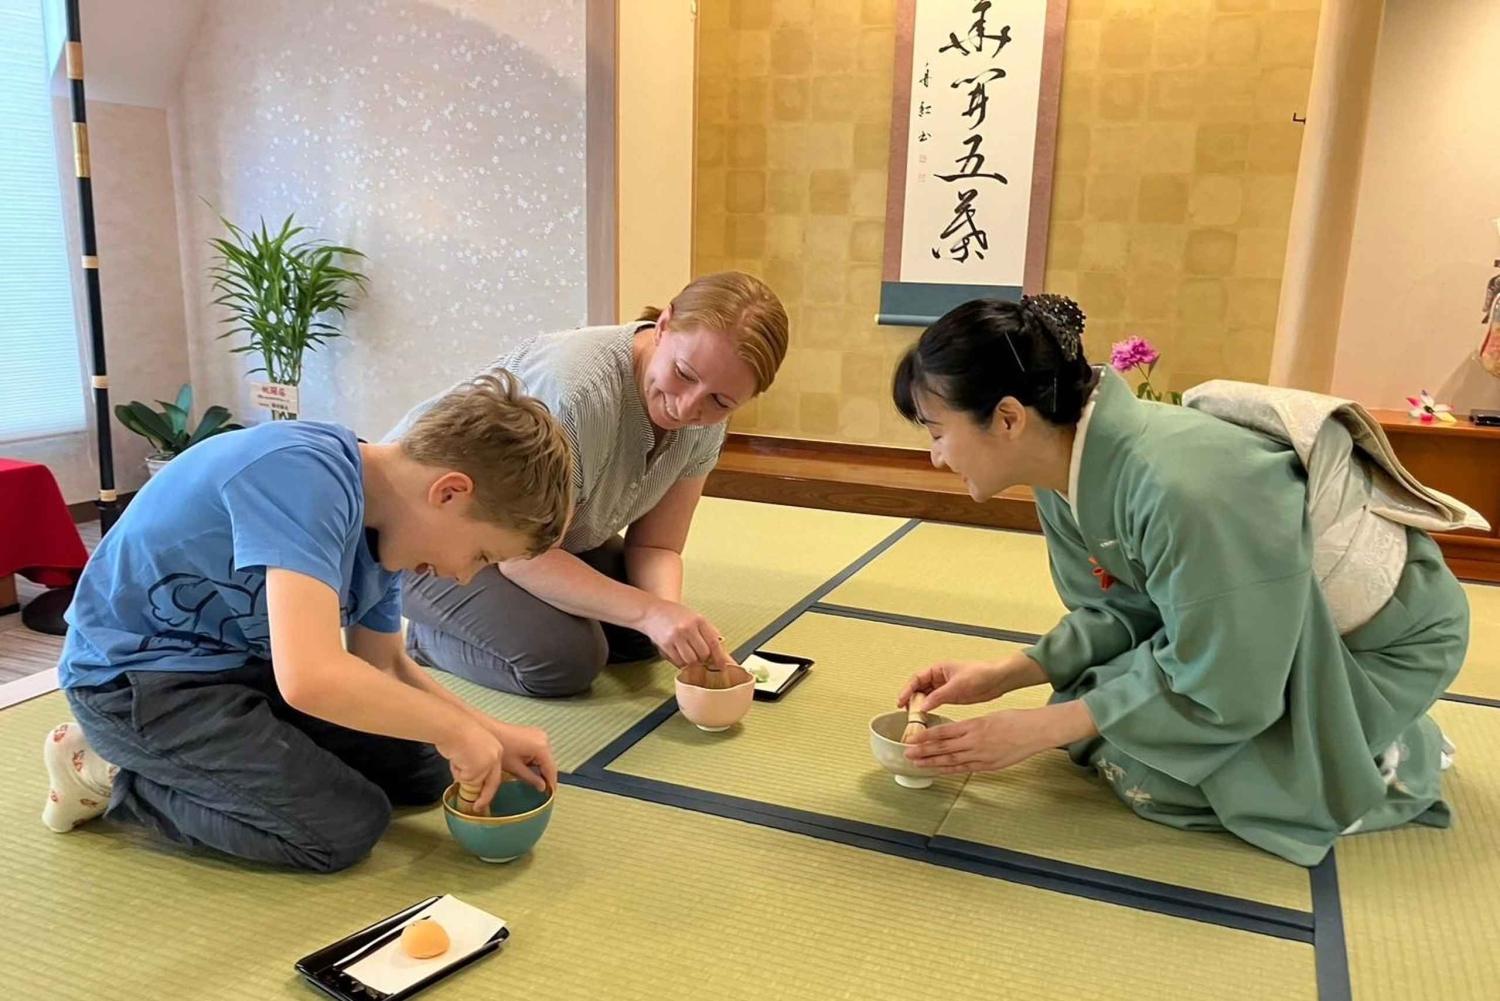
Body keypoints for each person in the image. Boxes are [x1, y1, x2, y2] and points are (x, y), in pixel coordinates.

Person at [890, 295, 1472, 865]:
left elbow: (1227, 680)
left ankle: (1392, 749)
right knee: (1080, 707)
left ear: (1010, 417)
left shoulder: (1182, 486)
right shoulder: (1059, 468)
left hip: (1373, 642)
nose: (936, 456)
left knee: (1169, 781)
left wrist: (1036, 730)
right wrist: (1011, 673)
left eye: (937, 432)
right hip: (1257, 631)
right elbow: (1124, 611)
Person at [42, 373, 572, 872]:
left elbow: (382, 663)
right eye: (479, 554)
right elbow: (312, 677)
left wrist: (489, 733)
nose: (462, 577)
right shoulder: (303, 475)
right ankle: (109, 772)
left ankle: (238, 762)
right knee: (342, 829)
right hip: (137, 682)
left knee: (425, 770)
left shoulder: (387, 519)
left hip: (246, 669)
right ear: (449, 492)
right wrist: (458, 731)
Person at [388, 271, 789, 698]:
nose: (688, 407)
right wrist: (648, 611)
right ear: (665, 324)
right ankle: (429, 639)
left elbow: (657, 546)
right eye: (684, 373)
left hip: (539, 544)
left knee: (640, 640)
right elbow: (523, 556)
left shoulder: (707, 422)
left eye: (720, 401)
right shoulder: (576, 390)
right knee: (565, 661)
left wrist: (667, 615)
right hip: (425, 536)